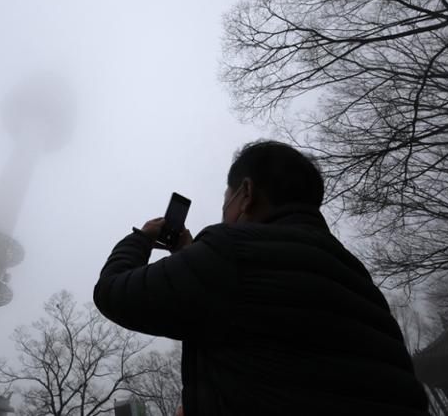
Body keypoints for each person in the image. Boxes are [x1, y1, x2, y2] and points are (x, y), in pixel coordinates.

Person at [93, 141, 429, 415]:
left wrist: (142, 237)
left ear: (246, 194)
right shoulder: (355, 276)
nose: (224, 214)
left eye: (226, 201)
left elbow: (113, 292)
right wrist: (189, 256)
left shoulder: (231, 253)